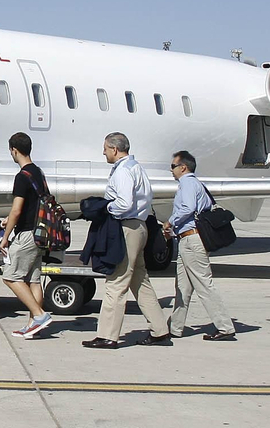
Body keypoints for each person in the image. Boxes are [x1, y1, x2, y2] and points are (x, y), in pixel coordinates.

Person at [84, 132, 171, 348]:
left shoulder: (122, 171)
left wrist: (104, 208)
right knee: (139, 279)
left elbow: (123, 203)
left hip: (126, 228)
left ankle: (107, 336)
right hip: (139, 226)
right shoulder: (136, 168)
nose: (103, 152)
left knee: (116, 281)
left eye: (105, 148)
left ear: (114, 149)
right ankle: (160, 330)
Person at [162, 150, 237, 341]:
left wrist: (169, 222)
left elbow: (187, 208)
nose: (171, 170)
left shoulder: (187, 183)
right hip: (186, 239)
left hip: (192, 240)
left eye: (173, 166)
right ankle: (174, 328)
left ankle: (225, 327)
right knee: (182, 287)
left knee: (204, 284)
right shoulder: (194, 184)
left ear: (183, 167)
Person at [0, 132, 53, 340]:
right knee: (34, 279)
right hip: (41, 232)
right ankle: (33, 325)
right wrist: (10, 218)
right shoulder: (38, 172)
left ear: (14, 150)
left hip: (27, 235)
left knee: (10, 276)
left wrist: (6, 236)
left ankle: (39, 315)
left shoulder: (22, 176)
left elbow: (17, 210)